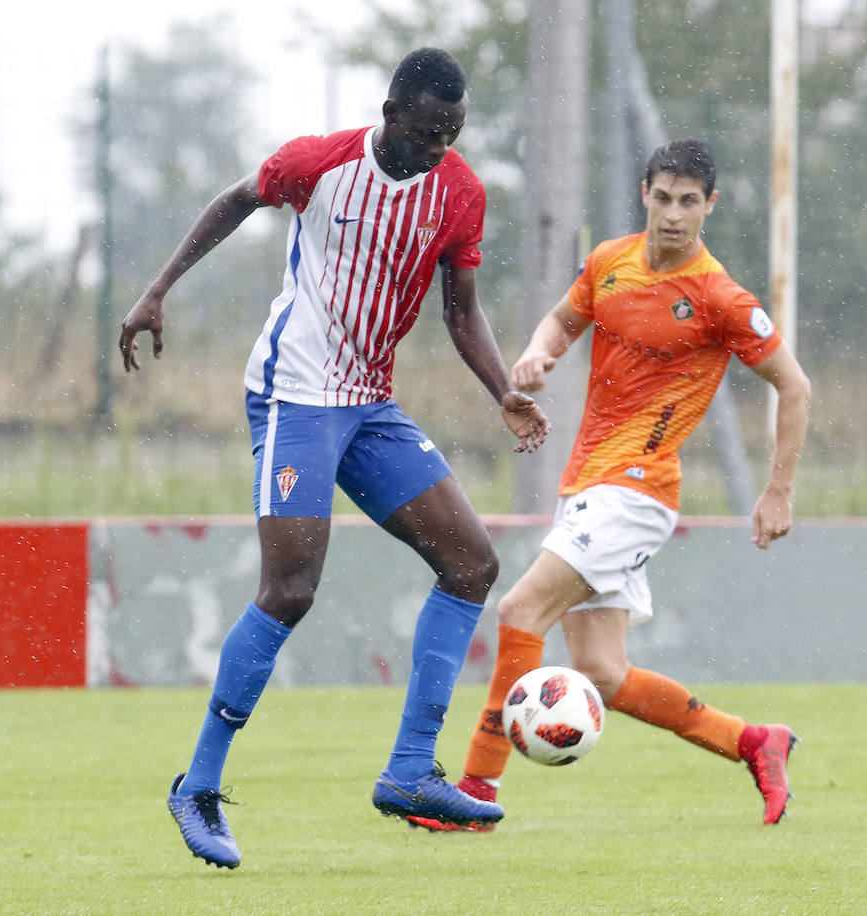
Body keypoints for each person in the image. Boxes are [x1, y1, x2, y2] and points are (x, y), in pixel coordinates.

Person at [117, 47, 550, 869]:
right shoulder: (319, 164)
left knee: (471, 563)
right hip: (295, 393)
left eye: (452, 134)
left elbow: (462, 312)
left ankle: (412, 771)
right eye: (427, 132)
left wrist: (502, 390)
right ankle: (197, 785)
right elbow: (235, 200)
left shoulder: (459, 193)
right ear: (390, 115)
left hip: (369, 404)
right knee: (292, 587)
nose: (438, 148)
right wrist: (157, 289)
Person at [410, 138, 812, 832]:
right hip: (589, 483)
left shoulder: (720, 297)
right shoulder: (609, 261)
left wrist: (778, 490)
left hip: (637, 489)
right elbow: (565, 319)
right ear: (645, 194)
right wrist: (538, 354)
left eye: (690, 202)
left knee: (518, 611)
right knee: (600, 673)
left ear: (709, 206)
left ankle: (475, 789)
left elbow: (795, 385)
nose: (675, 215)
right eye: (664, 198)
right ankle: (752, 742)